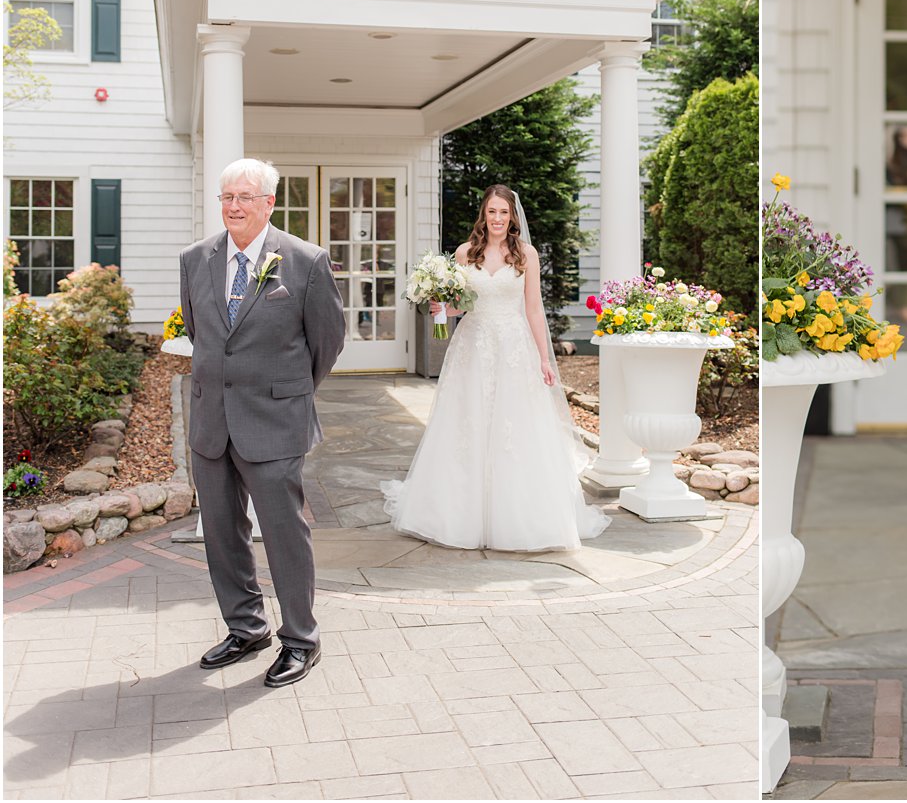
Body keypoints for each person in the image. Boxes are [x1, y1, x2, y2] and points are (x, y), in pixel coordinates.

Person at [181, 158, 345, 688]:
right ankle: (245, 628)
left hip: (274, 421)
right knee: (222, 535)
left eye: (245, 197)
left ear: (269, 203)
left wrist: (288, 393)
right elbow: (201, 335)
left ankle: (300, 638)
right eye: (227, 197)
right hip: (211, 421)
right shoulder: (194, 259)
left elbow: (326, 342)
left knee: (283, 533)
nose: (233, 206)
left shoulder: (305, 261)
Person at [381, 185, 610, 551]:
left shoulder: (526, 255)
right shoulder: (464, 253)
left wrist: (543, 357)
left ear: (512, 216)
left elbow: (533, 309)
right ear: (483, 215)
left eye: (504, 212)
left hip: (513, 349)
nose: (498, 219)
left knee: (512, 428)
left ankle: (517, 517)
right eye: (492, 212)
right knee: (466, 423)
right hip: (471, 347)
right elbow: (459, 306)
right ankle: (457, 515)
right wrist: (440, 307)